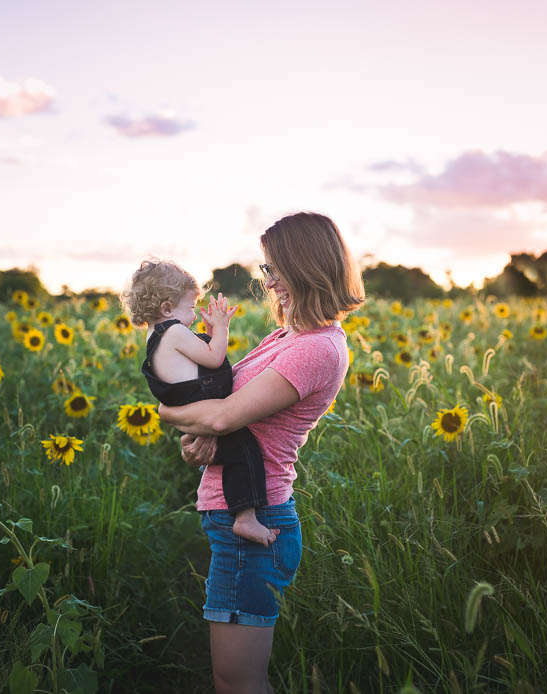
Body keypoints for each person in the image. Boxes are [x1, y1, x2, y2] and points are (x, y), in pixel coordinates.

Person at [158, 212, 365, 694]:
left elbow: (224, 416)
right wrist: (201, 445)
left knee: (238, 682)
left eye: (274, 269)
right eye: (266, 269)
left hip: (255, 525)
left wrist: (171, 414)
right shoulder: (286, 337)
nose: (268, 282)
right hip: (239, 519)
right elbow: (227, 412)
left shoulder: (317, 349)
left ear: (306, 266)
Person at [123, 260, 278, 546]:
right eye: (191, 308)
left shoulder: (156, 335)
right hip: (200, 395)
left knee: (231, 451)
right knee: (244, 450)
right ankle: (245, 519)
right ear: (167, 308)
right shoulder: (174, 331)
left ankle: (243, 515)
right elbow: (213, 358)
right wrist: (221, 328)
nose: (194, 316)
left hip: (185, 398)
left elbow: (194, 357)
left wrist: (208, 333)